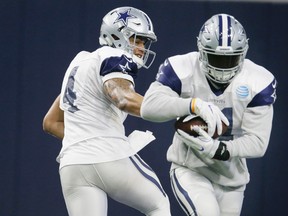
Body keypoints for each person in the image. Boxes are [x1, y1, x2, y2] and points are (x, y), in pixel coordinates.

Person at [141, 13, 277, 216]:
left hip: (232, 179)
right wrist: (193, 105)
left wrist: (219, 149)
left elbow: (258, 142)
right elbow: (148, 108)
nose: (223, 67)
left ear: (244, 52)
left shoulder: (258, 81)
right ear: (201, 50)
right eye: (216, 58)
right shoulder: (182, 68)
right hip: (190, 169)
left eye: (230, 58)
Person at [43, 6, 171, 216]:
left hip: (72, 165)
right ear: (118, 35)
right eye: (137, 40)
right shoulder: (114, 56)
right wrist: (177, 109)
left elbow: (50, 122)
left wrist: (87, 138)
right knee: (158, 205)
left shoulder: (79, 63)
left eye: (143, 43)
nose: (141, 48)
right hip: (108, 156)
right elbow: (123, 98)